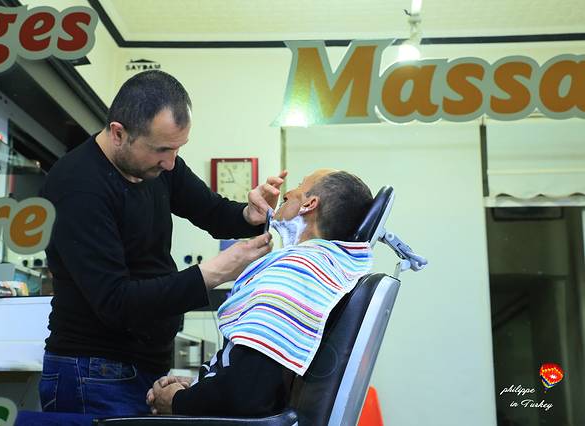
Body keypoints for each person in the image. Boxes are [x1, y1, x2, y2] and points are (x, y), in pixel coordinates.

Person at [39, 70, 286, 416]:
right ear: (118, 133)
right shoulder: (78, 187)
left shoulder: (159, 167)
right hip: (93, 373)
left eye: (178, 149)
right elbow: (116, 302)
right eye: (162, 150)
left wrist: (249, 214)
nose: (171, 163)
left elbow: (212, 211)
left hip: (145, 366)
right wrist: (211, 273)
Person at [146, 169, 375, 417]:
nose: (287, 192)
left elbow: (246, 393)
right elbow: (247, 381)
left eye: (299, 185)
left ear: (309, 204)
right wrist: (195, 387)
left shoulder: (295, 274)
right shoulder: (322, 270)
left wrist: (177, 401)